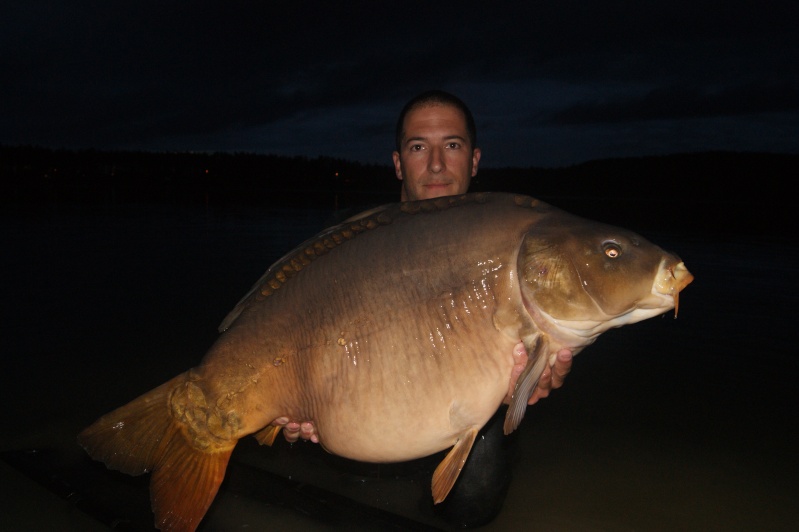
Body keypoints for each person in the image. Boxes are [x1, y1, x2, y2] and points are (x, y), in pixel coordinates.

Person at [272, 90, 573, 526]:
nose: (436, 164)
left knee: (478, 494)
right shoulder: (348, 243)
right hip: (369, 412)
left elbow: (530, 353)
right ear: (398, 163)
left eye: (452, 146)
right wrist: (297, 396)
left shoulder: (506, 241)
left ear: (474, 160)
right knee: (351, 476)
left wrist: (529, 383)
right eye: (418, 147)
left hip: (459, 410)